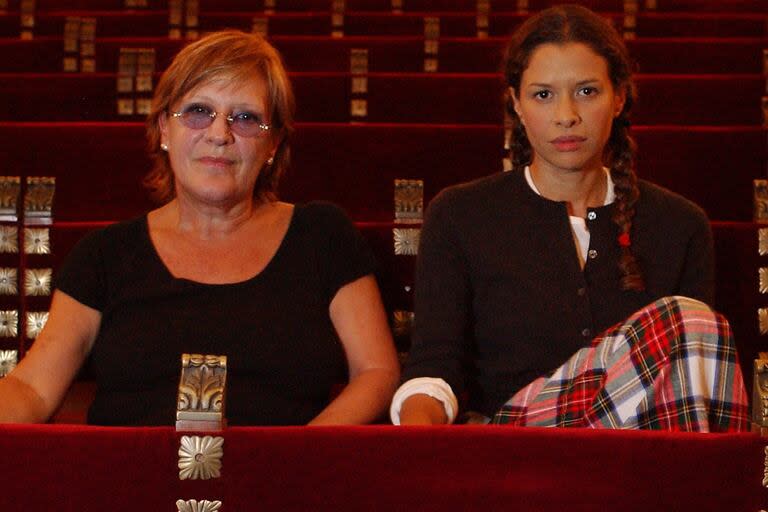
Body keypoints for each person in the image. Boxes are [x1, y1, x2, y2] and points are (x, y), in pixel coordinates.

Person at [0, 30, 400, 425]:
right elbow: (33, 388)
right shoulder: (104, 254)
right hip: (126, 482)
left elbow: (375, 372)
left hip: (284, 481)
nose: (218, 134)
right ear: (163, 130)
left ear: (273, 145)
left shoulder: (323, 236)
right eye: (198, 112)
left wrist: (302, 459)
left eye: (245, 118)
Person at [390, 5, 748, 431]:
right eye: (543, 95)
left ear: (618, 97)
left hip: (638, 454)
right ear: (516, 105)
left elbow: (694, 377)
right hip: (511, 450)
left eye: (586, 92)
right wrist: (420, 444)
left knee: (691, 324)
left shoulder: (680, 224)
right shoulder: (459, 215)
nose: (566, 116)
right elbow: (435, 365)